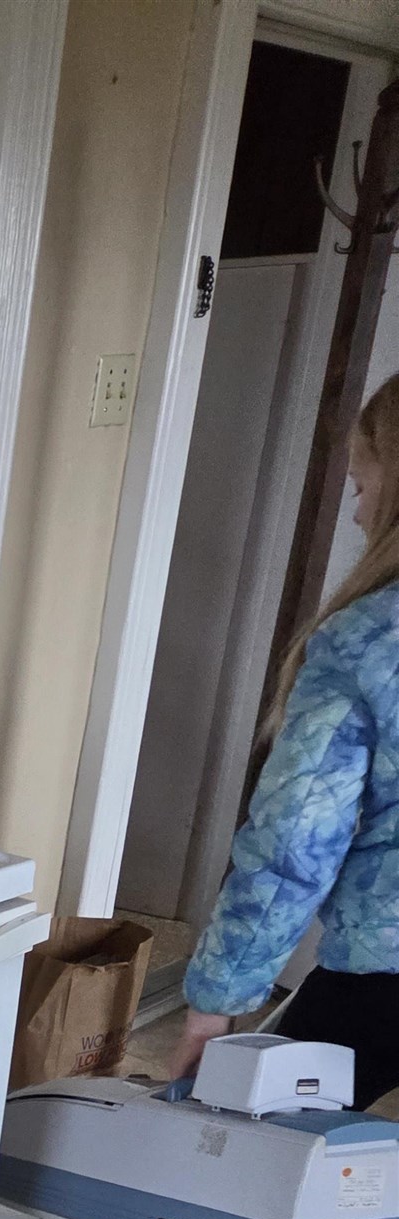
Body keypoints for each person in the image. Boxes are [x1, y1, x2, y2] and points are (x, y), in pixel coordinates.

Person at [172, 372, 399, 1108]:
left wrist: (217, 1003)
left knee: (254, 1138)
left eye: (363, 488)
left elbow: (295, 840)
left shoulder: (366, 639)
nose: (358, 514)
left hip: (384, 977)